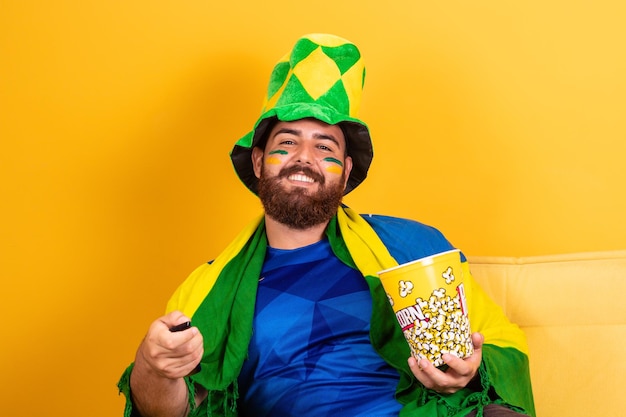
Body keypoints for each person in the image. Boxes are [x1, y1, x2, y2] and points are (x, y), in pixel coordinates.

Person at [118, 33, 535, 417]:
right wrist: (154, 367)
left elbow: (501, 343)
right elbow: (171, 410)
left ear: (345, 169)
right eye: (287, 142)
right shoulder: (209, 289)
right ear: (260, 161)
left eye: (324, 147)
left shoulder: (416, 247)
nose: (304, 157)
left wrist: (469, 372)